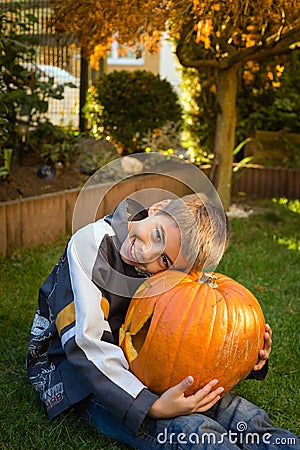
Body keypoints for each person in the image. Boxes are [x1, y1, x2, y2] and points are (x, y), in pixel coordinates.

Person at [26, 193, 299, 449]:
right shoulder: (92, 244)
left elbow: (191, 330)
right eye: (157, 235)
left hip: (138, 368)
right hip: (80, 372)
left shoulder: (170, 268)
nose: (148, 254)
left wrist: (246, 356)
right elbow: (86, 342)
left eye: (165, 260)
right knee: (194, 431)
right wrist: (150, 405)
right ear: (157, 208)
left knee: (244, 416)